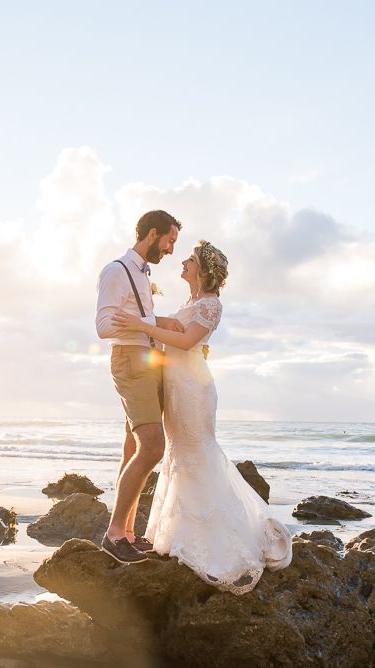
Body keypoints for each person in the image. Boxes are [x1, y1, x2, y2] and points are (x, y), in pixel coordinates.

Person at [110, 240, 292, 593]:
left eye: (190, 260)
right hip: (176, 386)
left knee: (197, 452)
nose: (183, 261)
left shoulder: (211, 305)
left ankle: (220, 540)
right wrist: (142, 323)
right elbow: (171, 332)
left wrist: (142, 325)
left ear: (204, 271)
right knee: (177, 453)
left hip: (194, 389)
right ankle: (181, 534)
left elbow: (184, 340)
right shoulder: (189, 303)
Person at [95, 210, 183, 564]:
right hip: (130, 361)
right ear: (152, 234)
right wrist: (152, 322)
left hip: (146, 361)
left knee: (132, 445)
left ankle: (127, 533)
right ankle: (113, 534)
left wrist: (152, 324)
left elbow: (138, 321)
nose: (172, 250)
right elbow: (103, 326)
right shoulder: (117, 270)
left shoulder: (142, 275)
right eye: (169, 241)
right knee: (152, 447)